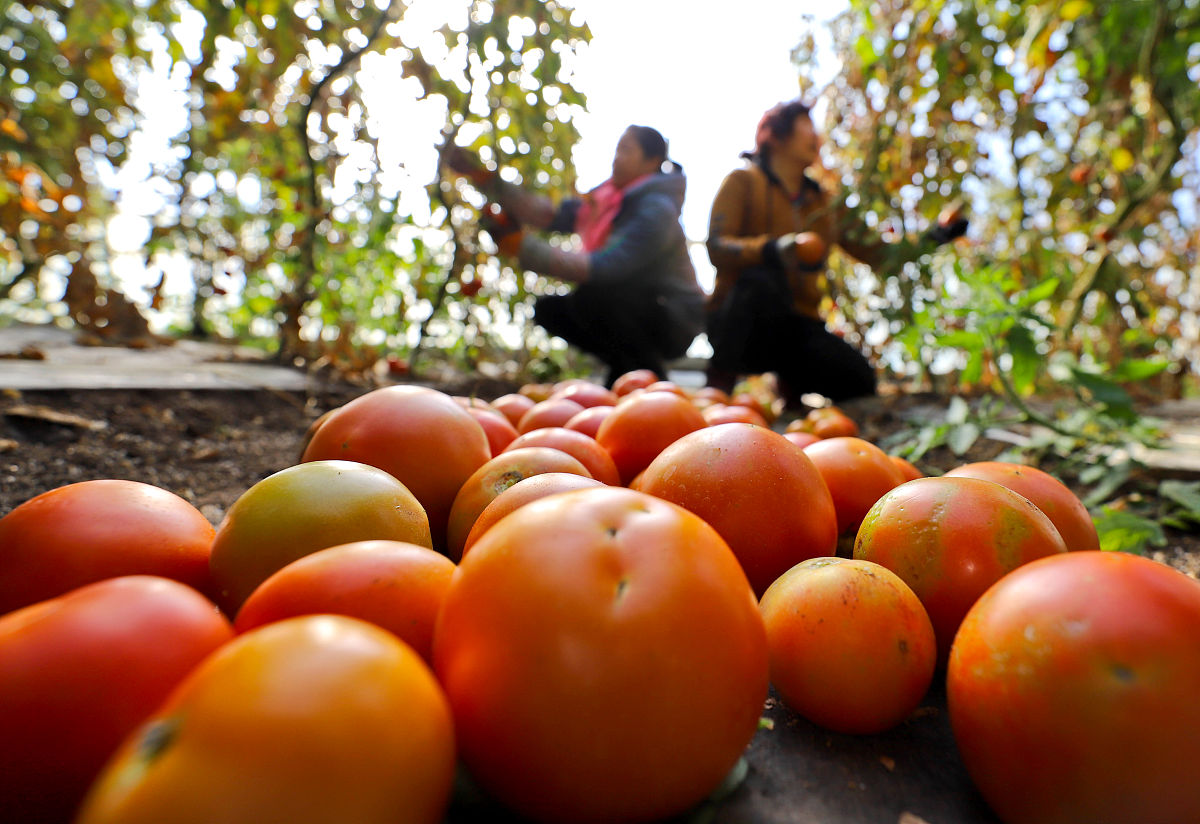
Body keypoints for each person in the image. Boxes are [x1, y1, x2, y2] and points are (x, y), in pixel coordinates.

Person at [705, 99, 967, 407]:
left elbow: (879, 253)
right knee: (760, 280)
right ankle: (719, 383)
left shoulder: (825, 205)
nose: (815, 137)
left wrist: (933, 238)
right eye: (806, 127)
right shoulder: (743, 182)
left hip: (797, 325)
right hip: (740, 318)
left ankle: (789, 382)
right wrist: (777, 248)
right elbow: (718, 247)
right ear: (776, 136)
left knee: (858, 379)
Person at [447, 126, 705, 386]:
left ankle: (649, 377)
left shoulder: (656, 209)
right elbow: (549, 213)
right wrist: (485, 179)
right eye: (617, 149)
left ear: (652, 161)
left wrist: (522, 246)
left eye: (626, 150)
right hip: (639, 310)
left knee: (593, 296)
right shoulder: (606, 200)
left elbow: (606, 267)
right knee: (550, 310)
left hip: (675, 320)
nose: (616, 157)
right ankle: (626, 370)